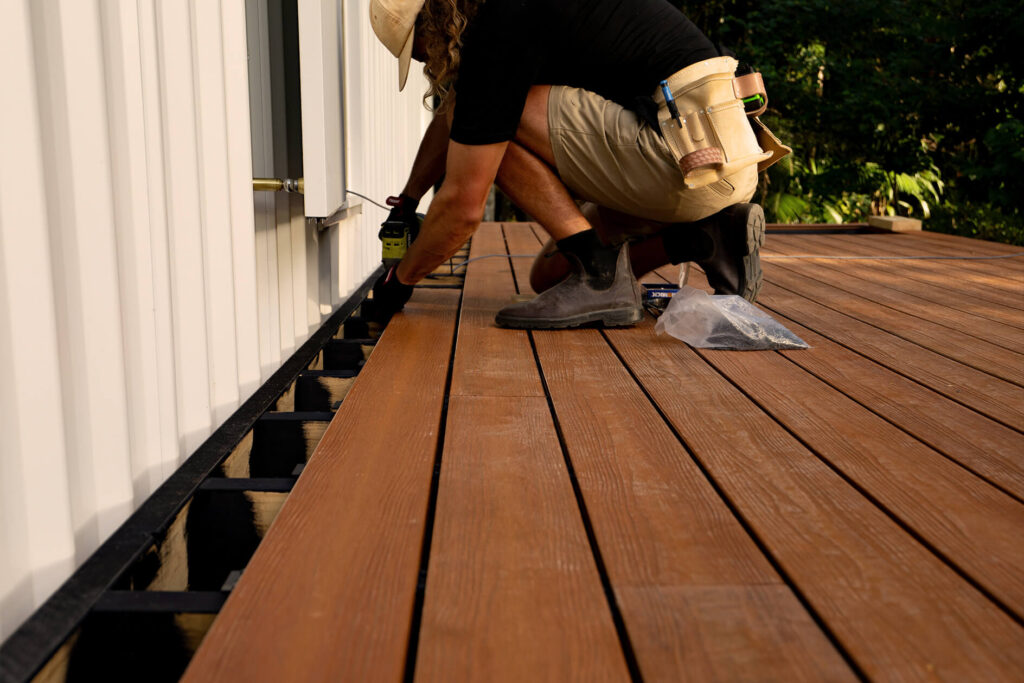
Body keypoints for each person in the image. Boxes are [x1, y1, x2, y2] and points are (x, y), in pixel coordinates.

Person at [369, 0, 788, 329]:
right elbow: (457, 112)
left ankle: (598, 271)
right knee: (547, 278)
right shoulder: (521, 15)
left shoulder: (499, 31)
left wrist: (400, 282)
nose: (424, 62)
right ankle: (705, 237)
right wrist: (408, 200)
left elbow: (462, 206)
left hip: (680, 159)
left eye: (416, 49)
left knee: (490, 125)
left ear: (435, 21)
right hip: (722, 161)